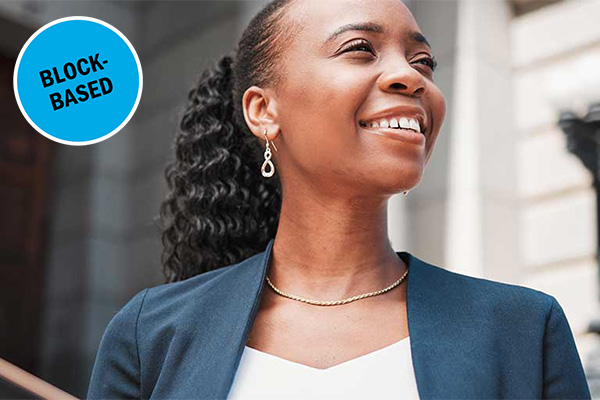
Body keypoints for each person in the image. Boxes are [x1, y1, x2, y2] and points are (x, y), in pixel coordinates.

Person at [87, 0, 592, 399]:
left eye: (424, 61)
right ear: (263, 110)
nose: (412, 78)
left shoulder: (525, 330)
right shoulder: (151, 334)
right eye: (359, 49)